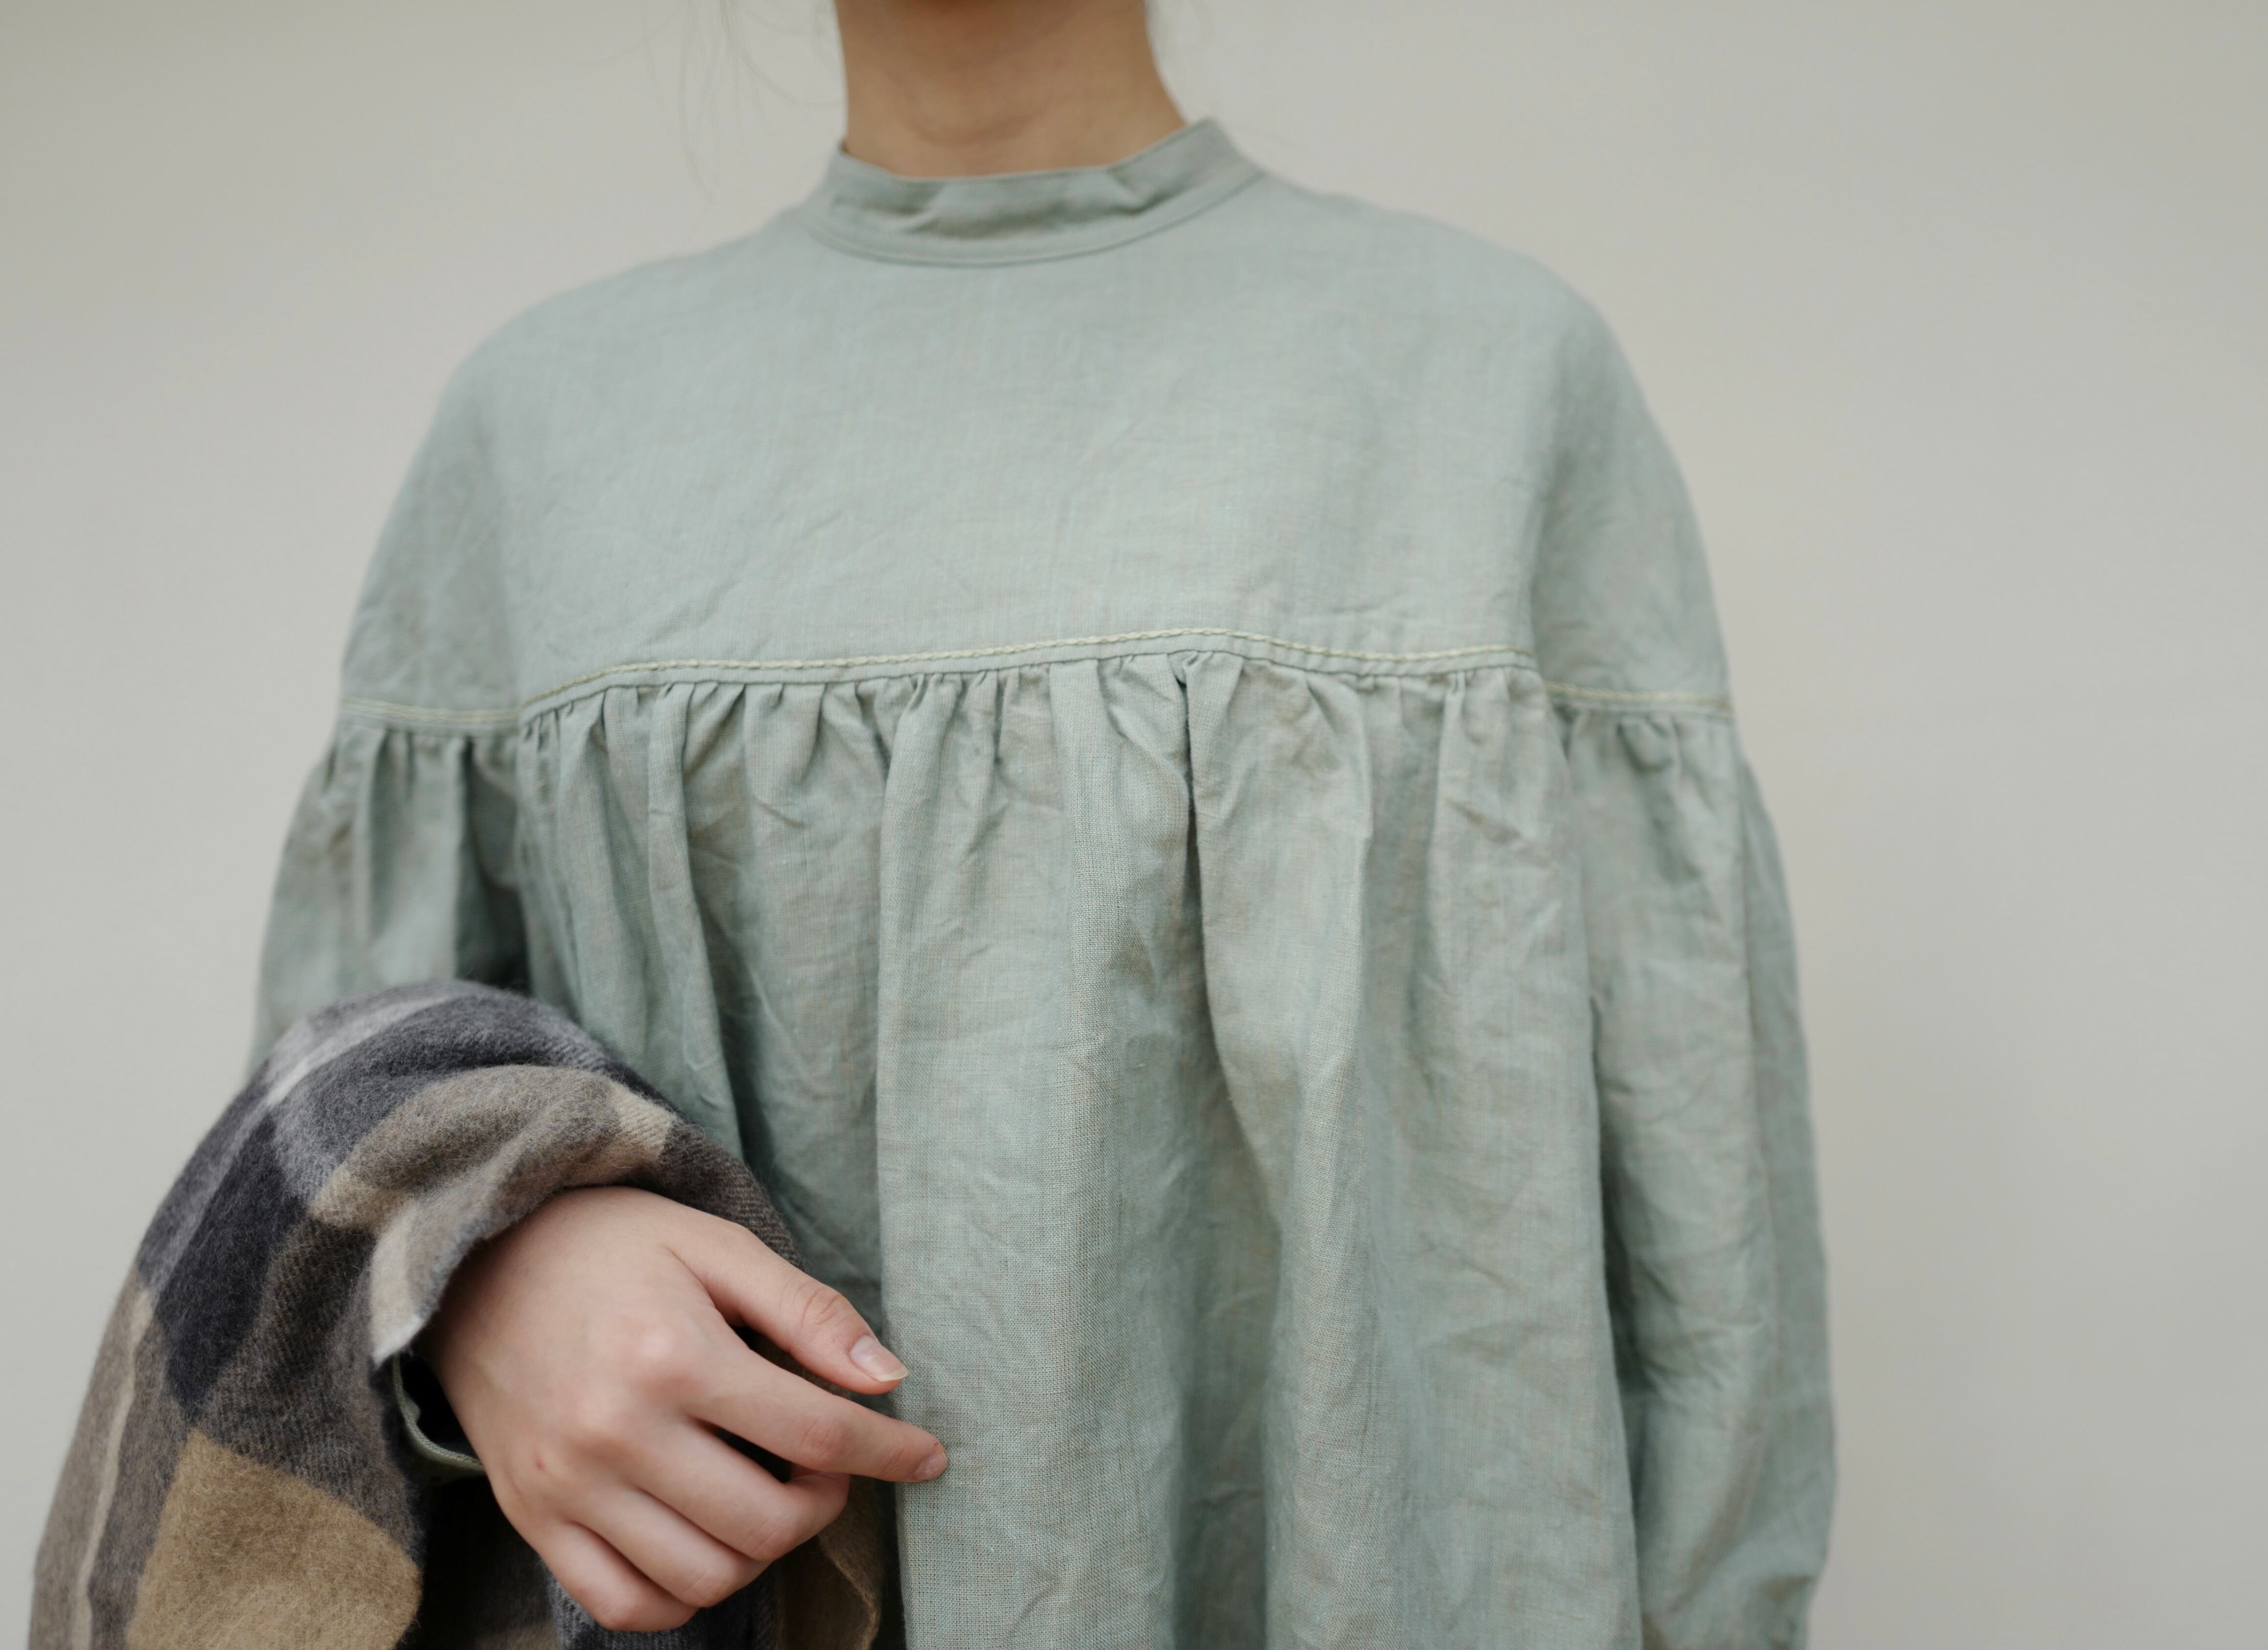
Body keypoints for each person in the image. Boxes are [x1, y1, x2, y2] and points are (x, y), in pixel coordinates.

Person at [250, 0, 1834, 1643]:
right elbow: (335, 1153)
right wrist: (473, 1283)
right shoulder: (539, 425)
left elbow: (1708, 1269)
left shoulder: (1499, 375)